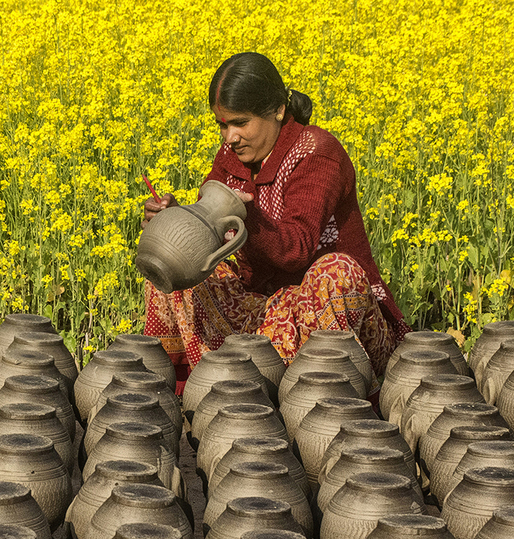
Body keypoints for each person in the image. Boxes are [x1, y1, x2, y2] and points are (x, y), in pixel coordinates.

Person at [142, 52, 409, 393]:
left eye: (240, 123)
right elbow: (210, 235)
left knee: (336, 273)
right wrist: (177, 217)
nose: (230, 137)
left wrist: (245, 216)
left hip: (325, 316)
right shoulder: (231, 158)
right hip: (265, 312)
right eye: (222, 125)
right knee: (178, 261)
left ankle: (318, 393)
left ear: (278, 111)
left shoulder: (317, 153)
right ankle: (182, 386)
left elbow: (296, 249)